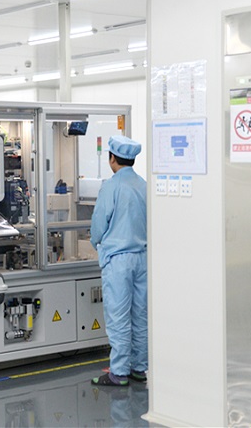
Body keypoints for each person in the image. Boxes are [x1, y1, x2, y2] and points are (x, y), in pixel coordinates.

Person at [90, 135, 147, 387]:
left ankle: (119, 372)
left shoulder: (111, 187)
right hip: (143, 258)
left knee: (119, 316)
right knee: (140, 315)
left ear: (112, 158)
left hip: (119, 260)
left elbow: (98, 223)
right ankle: (139, 367)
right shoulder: (144, 185)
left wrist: (96, 242)